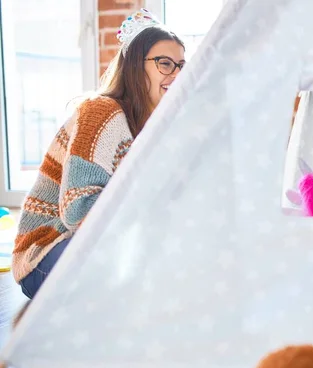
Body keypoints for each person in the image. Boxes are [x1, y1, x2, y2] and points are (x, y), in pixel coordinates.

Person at [11, 8, 185, 299]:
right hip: (47, 255)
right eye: (164, 63)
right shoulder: (101, 112)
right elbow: (77, 212)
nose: (176, 74)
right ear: (134, 66)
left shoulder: (149, 127)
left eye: (181, 65)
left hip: (91, 249)